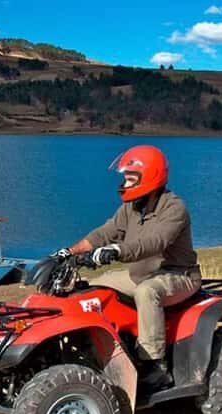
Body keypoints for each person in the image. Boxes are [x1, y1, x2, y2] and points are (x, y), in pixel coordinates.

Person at [54, 145, 201, 388]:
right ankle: (95, 345)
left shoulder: (174, 208)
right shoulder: (131, 208)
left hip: (179, 275)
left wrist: (117, 250)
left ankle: (155, 364)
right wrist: (68, 252)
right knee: (92, 288)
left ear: (150, 177)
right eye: (125, 178)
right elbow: (104, 233)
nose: (125, 183)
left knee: (147, 292)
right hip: (141, 273)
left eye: (131, 178)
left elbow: (155, 242)